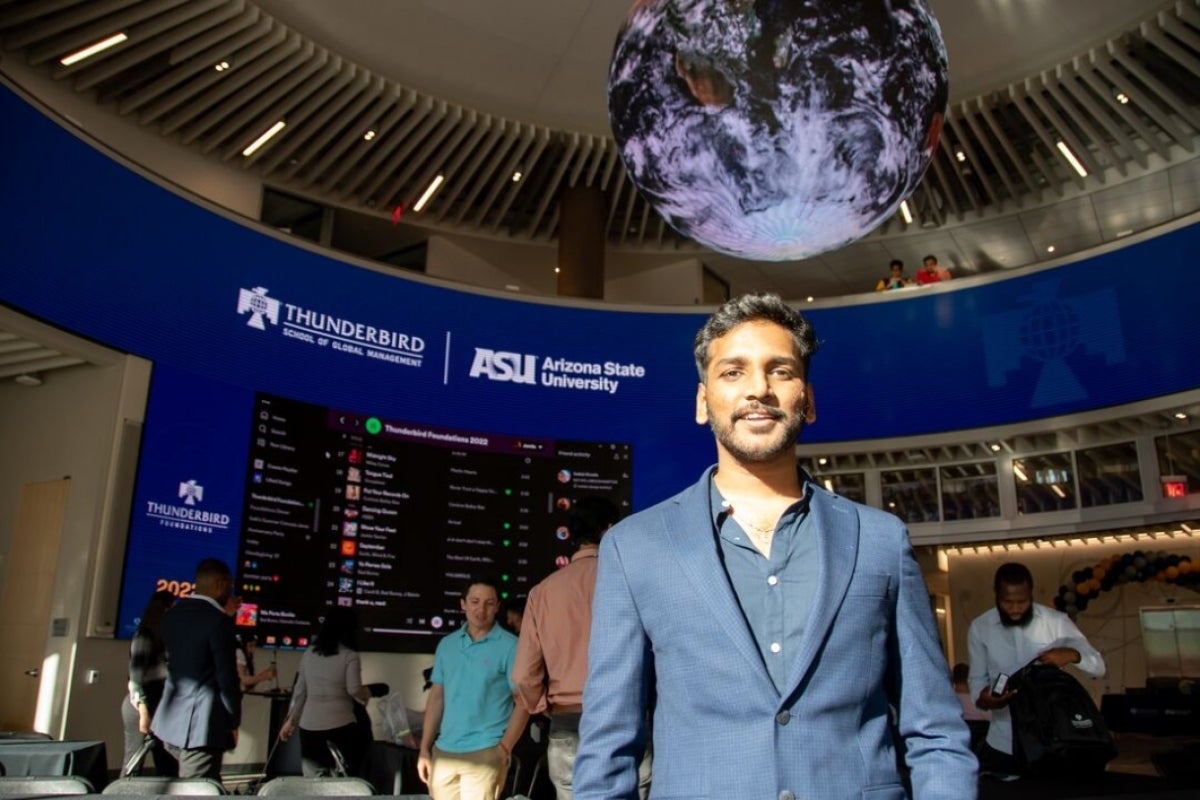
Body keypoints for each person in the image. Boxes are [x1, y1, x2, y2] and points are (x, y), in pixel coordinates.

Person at [574, 293, 976, 800]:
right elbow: (608, 748)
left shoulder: (880, 541)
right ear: (703, 402)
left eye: (780, 371)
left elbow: (936, 731)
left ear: (808, 400)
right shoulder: (635, 548)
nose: (758, 389)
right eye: (733, 372)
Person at [513, 497, 650, 800]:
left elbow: (523, 674)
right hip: (626, 719)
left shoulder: (542, 592)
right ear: (610, 529)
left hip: (567, 723)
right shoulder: (635, 582)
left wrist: (546, 708)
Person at [967, 562, 1105, 776]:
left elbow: (1098, 667)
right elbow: (977, 680)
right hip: (1002, 742)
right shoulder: (980, 627)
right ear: (996, 594)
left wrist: (1072, 655)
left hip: (1050, 745)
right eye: (1007, 602)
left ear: (1031, 593)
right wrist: (983, 699)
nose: (1014, 609)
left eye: (1022, 602)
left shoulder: (1056, 622)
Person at [418, 577, 529, 800]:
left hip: (486, 752)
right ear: (463, 604)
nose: (481, 609)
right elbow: (436, 698)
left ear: (497, 606)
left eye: (489, 603)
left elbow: (524, 702)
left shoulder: (511, 646)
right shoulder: (447, 644)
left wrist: (504, 748)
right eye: (475, 601)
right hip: (444, 751)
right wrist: (424, 749)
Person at [151, 559, 242, 780]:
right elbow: (226, 678)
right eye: (229, 587)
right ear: (220, 585)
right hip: (200, 727)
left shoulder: (172, 616)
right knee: (197, 788)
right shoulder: (219, 622)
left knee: (198, 784)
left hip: (168, 722)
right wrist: (233, 720)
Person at [279, 607, 371, 777]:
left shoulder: (309, 654)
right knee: (342, 780)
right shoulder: (349, 656)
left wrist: (291, 721)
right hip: (341, 724)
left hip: (309, 725)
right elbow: (354, 689)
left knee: (314, 779)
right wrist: (366, 694)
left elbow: (300, 692)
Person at [121, 589, 178, 776]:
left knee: (167, 762)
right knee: (134, 760)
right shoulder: (144, 635)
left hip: (159, 703)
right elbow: (136, 678)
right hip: (141, 704)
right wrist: (144, 711)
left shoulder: (166, 638)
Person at [952, 662, 990, 751]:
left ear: (953, 679)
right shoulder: (979, 702)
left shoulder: (946, 702)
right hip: (980, 751)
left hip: (956, 750)